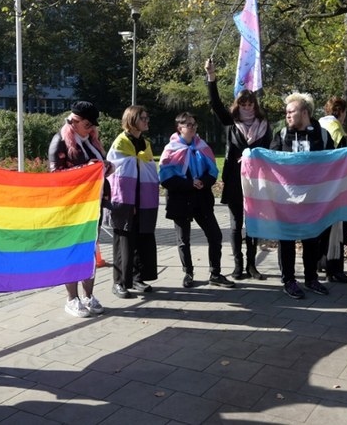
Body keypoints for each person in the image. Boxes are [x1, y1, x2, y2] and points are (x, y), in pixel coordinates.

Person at [205, 58, 271, 280]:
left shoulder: (264, 125)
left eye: (250, 104)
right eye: (243, 104)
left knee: (253, 224)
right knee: (235, 225)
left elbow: (270, 152)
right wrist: (211, 77)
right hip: (235, 180)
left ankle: (252, 265)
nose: (247, 107)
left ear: (255, 105)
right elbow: (215, 104)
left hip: (257, 182)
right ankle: (237, 266)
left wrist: (255, 158)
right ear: (238, 105)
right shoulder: (231, 123)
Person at [270, 92, 334, 298]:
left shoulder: (322, 135)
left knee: (311, 239)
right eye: (286, 112)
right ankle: (288, 280)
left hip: (312, 199)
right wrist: (250, 158)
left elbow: (334, 162)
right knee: (286, 240)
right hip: (286, 199)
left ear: (304, 112)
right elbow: (270, 161)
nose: (287, 115)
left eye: (292, 111)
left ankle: (311, 279)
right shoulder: (280, 135)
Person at [48, 101, 109, 317]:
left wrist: (105, 168)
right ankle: (71, 299)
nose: (91, 128)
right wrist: (87, 169)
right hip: (71, 208)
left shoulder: (90, 140)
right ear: (74, 122)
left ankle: (88, 296)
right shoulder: (60, 141)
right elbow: (56, 177)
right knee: (72, 252)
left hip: (92, 207)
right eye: (87, 124)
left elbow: (98, 165)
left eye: (92, 125)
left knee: (89, 251)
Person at [159, 112, 234, 289]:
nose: (192, 127)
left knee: (215, 235)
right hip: (180, 198)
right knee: (183, 239)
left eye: (194, 124)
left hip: (201, 197)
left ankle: (215, 273)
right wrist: (188, 183)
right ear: (180, 128)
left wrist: (205, 182)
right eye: (188, 125)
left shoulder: (202, 146)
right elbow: (165, 177)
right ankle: (188, 273)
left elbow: (213, 170)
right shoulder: (171, 149)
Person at [105, 105, 159, 298]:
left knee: (141, 238)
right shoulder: (121, 142)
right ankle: (119, 282)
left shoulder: (144, 143)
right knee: (123, 241)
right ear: (132, 120)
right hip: (125, 200)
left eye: (147, 117)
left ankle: (137, 277)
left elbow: (148, 166)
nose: (147, 121)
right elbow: (115, 171)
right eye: (143, 118)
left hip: (142, 200)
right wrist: (135, 162)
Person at [318, 97, 347, 283]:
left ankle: (320, 262)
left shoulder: (317, 126)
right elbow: (342, 159)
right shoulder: (337, 129)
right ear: (341, 111)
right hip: (335, 184)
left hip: (319, 185)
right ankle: (335, 269)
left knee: (322, 227)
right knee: (337, 228)